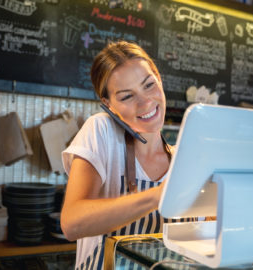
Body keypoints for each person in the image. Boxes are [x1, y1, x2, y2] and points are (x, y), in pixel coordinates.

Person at [60, 41, 188, 270]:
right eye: (127, 96)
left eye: (149, 85)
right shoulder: (101, 131)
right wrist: (158, 196)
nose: (146, 102)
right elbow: (72, 224)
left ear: (159, 78)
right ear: (109, 105)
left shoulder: (184, 159)